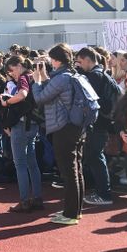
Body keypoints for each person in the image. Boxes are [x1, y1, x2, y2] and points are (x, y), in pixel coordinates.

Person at [32, 43, 85, 225]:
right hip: (77, 126)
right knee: (76, 170)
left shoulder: (61, 78)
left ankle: (70, 214)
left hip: (63, 128)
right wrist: (44, 78)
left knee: (69, 173)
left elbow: (40, 98)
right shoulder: (71, 74)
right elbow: (53, 90)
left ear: (56, 60)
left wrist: (36, 81)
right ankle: (75, 211)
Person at [0, 56, 42, 213]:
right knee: (32, 163)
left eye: (12, 69)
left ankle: (24, 201)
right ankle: (37, 198)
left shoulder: (24, 78)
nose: (11, 73)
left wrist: (7, 102)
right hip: (34, 123)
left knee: (20, 164)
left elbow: (22, 94)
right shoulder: (35, 75)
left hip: (22, 124)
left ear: (20, 65)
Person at [75, 47, 116, 205]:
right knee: (95, 156)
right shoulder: (102, 74)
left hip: (98, 123)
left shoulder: (94, 76)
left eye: (79, 61)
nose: (78, 64)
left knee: (95, 156)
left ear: (87, 59)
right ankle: (102, 191)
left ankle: (104, 194)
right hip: (102, 122)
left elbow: (89, 100)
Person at [114, 66, 127, 198]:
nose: (126, 83)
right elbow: (117, 123)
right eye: (126, 80)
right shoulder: (125, 100)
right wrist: (122, 133)